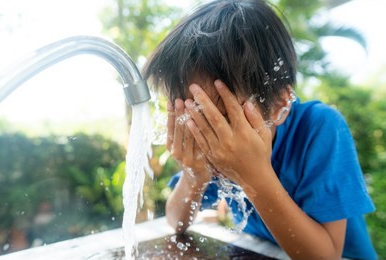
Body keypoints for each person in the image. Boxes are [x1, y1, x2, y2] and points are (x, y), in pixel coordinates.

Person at [142, 0, 377, 259]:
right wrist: (194, 176)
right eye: (193, 122)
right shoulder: (214, 153)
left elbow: (326, 256)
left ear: (278, 105)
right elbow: (175, 222)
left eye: (220, 121)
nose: (211, 138)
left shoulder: (319, 128)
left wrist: (253, 174)